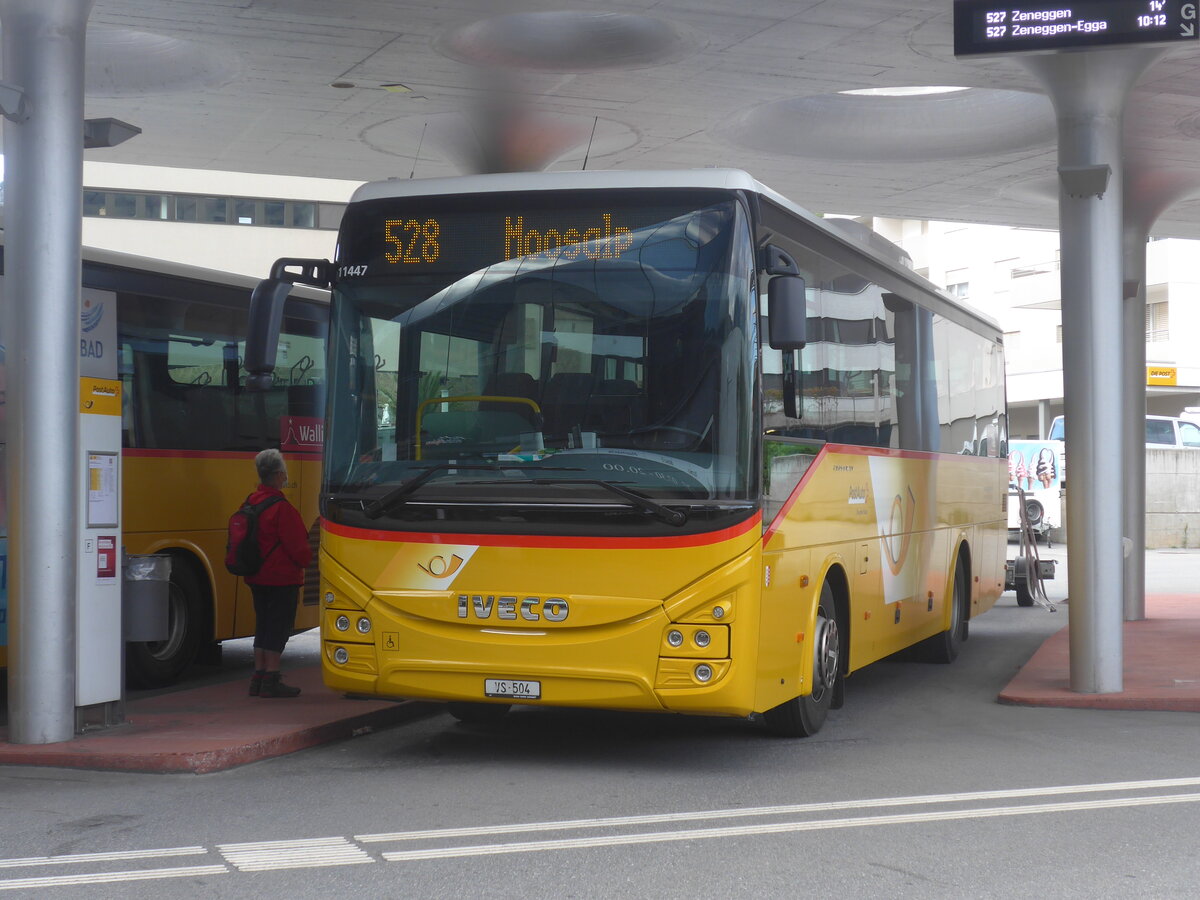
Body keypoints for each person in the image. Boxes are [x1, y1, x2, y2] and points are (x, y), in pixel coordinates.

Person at [245, 448, 312, 698]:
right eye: (283, 473)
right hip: (281, 578)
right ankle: (271, 678)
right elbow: (299, 548)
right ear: (277, 475)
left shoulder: (251, 502)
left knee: (262, 625)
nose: (285, 477)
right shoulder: (282, 508)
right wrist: (307, 562)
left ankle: (258, 676)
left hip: (256, 576)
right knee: (278, 627)